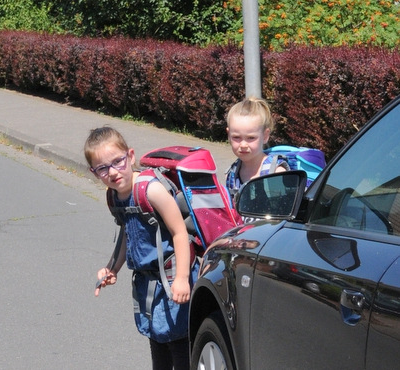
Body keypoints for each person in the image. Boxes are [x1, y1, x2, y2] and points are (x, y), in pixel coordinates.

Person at [84, 126, 198, 370]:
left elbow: (179, 233)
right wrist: (112, 268)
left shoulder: (151, 190)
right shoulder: (114, 196)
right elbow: (129, 233)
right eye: (103, 168)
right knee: (157, 341)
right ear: (94, 173)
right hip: (148, 285)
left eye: (118, 161)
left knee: (179, 344)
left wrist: (181, 278)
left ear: (131, 156)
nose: (113, 172)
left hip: (172, 278)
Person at [225, 96, 289, 200]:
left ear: (265, 136)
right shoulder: (232, 173)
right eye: (236, 137)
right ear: (228, 134)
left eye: (251, 138)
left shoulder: (275, 172)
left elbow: (282, 211)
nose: (243, 145)